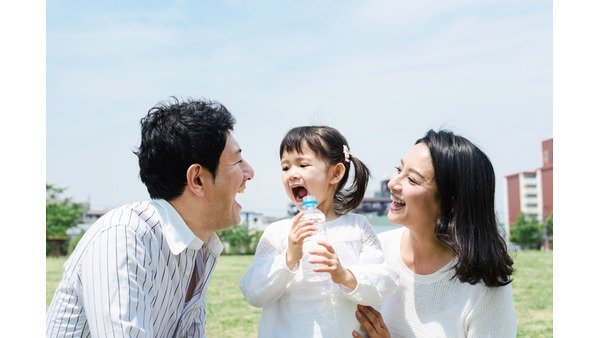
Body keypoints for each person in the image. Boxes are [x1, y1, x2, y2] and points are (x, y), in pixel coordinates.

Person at [46, 97, 255, 337]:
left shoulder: (199, 249)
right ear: (197, 179)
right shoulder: (123, 237)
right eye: (238, 161)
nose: (249, 172)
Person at [353, 129, 517, 338]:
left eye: (412, 180)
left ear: (451, 202)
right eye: (399, 169)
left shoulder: (485, 286)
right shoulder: (374, 251)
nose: (393, 184)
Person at [239, 126, 399, 337]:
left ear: (335, 173)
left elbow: (383, 283)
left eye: (303, 165)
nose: (292, 174)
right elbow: (254, 292)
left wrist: (344, 275)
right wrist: (289, 257)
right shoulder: (278, 233)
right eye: (285, 168)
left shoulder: (357, 228)